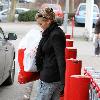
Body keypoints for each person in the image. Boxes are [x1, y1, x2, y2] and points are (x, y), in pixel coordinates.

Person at [34, 7, 66, 100]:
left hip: (50, 79)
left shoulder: (55, 34)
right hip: (50, 76)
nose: (40, 26)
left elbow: (60, 59)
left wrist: (63, 82)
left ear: (48, 21)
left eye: (41, 23)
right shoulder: (49, 32)